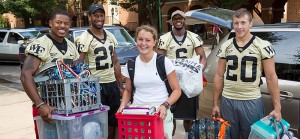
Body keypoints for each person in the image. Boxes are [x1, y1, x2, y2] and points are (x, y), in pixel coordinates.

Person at [211, 8, 281, 139]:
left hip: (251, 100)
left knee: (253, 136)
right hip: (228, 100)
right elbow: (219, 76)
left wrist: (277, 108)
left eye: (243, 22)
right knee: (228, 136)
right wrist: (216, 103)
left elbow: (271, 78)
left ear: (251, 24)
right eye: (236, 23)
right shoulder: (226, 46)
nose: (239, 27)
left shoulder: (262, 45)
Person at [20, 9, 79, 139]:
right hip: (47, 106)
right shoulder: (41, 44)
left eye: (66, 23)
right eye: (58, 22)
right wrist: (40, 105)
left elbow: (76, 75)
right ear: (50, 23)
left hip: (68, 106)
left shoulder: (71, 46)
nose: (62, 26)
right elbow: (25, 75)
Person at [117, 25, 181, 139]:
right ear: (136, 40)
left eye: (148, 40)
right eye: (140, 39)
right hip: (138, 115)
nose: (143, 43)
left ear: (154, 42)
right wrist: (122, 106)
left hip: (161, 114)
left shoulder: (163, 62)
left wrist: (165, 105)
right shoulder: (131, 64)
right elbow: (127, 90)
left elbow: (177, 90)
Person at [75, 3, 124, 139]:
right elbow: (79, 64)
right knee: (95, 122)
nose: (99, 18)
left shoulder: (111, 37)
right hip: (95, 86)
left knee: (113, 120)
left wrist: (120, 86)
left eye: (101, 15)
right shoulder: (84, 38)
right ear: (89, 17)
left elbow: (115, 62)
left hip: (112, 84)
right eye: (96, 15)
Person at [157, 10, 207, 138]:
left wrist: (197, 71)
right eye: (175, 18)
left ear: (185, 21)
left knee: (188, 115)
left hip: (188, 80)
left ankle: (186, 136)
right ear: (171, 21)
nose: (178, 21)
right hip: (171, 81)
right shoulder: (165, 38)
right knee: (170, 116)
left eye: (181, 18)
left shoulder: (193, 37)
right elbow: (159, 60)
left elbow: (202, 58)